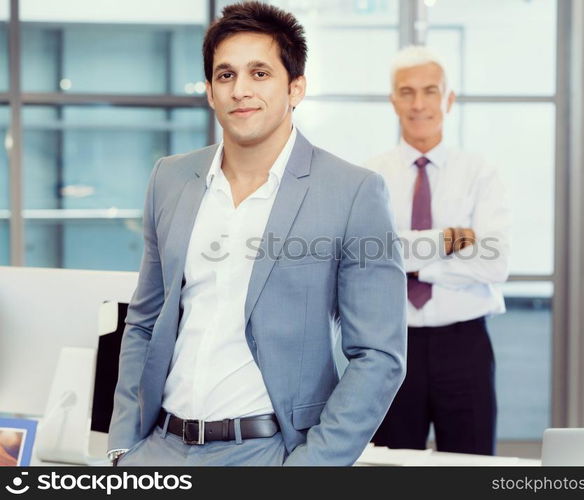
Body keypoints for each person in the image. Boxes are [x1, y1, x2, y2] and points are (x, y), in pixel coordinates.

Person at [108, 1, 406, 466]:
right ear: (209, 91)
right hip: (158, 450)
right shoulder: (170, 178)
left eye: (260, 73)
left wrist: (314, 466)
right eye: (225, 75)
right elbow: (144, 322)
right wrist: (122, 447)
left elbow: (379, 355)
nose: (240, 90)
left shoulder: (353, 192)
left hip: (266, 453)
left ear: (296, 87)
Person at [366, 46, 510, 455]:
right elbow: (368, 256)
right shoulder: (370, 176)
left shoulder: (481, 172)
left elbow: (495, 262)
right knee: (389, 468)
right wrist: (449, 241)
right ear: (393, 100)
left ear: (449, 98)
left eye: (430, 91)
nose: (418, 103)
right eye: (406, 92)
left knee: (471, 465)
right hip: (393, 346)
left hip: (464, 344)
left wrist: (410, 263)